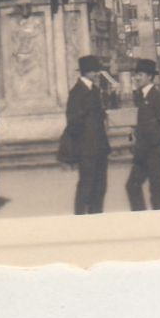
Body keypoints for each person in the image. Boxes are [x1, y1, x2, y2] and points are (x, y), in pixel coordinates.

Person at [64, 55, 111, 215]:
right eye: (94, 71)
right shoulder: (77, 92)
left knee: (100, 186)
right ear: (86, 72)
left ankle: (95, 216)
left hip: (99, 146)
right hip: (87, 148)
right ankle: (81, 219)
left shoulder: (94, 90)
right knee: (86, 185)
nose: (97, 74)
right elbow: (73, 122)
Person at [125, 58, 160, 211]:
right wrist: (137, 130)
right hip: (144, 152)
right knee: (133, 186)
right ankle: (143, 220)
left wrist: (151, 140)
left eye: (141, 75)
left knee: (155, 190)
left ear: (150, 77)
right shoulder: (143, 95)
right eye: (136, 74)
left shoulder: (155, 96)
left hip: (153, 152)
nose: (137, 78)